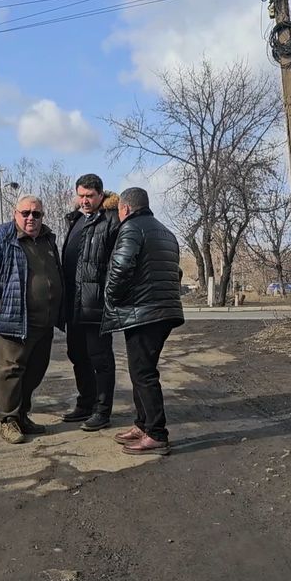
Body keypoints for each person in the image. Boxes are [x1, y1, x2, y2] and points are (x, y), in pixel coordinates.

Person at [0, 195, 64, 445]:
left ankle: (22, 416)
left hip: (43, 322)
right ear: (15, 213)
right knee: (10, 372)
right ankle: (8, 420)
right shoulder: (2, 236)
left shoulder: (47, 238)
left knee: (35, 371)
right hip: (13, 320)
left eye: (36, 214)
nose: (31, 218)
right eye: (26, 213)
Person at [101, 187, 184, 455]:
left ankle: (156, 433)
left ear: (124, 209)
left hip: (144, 312)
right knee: (141, 370)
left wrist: (111, 297)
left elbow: (122, 267)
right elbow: (177, 272)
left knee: (144, 373)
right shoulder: (165, 232)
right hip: (163, 311)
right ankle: (143, 424)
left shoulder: (132, 228)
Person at [60, 174, 120, 431]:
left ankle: (102, 410)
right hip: (73, 304)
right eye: (81, 196)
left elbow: (119, 263)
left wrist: (110, 297)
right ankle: (85, 403)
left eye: (90, 196)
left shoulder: (111, 220)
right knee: (77, 355)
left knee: (100, 359)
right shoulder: (75, 220)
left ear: (100, 195)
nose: (84, 201)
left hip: (96, 304)